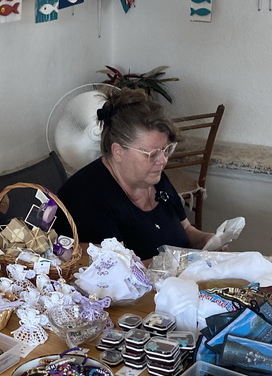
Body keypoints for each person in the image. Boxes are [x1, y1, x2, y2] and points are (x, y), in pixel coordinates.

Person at [56, 89, 214, 261]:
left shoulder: (153, 177)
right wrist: (188, 263)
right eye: (152, 153)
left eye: (167, 149)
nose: (162, 160)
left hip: (179, 281)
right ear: (118, 151)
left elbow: (186, 230)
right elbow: (120, 273)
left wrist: (207, 240)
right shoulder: (88, 198)